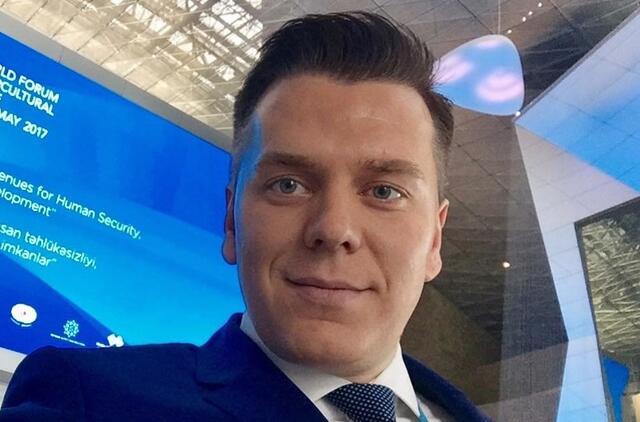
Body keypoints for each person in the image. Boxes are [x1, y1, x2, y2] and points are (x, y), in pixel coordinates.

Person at [1, 12, 490, 422]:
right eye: (288, 185)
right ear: (232, 223)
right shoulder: (89, 401)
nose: (333, 228)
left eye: (384, 191)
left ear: (434, 240)